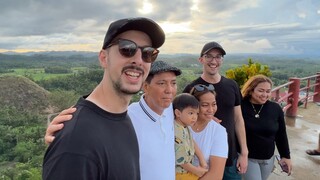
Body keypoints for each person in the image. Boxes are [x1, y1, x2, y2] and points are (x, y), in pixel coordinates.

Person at [42, 17, 165, 180]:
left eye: (148, 53)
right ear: (103, 58)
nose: (138, 59)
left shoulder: (122, 118)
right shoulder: (75, 142)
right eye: (127, 48)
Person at [45, 60, 182, 180]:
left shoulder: (170, 110)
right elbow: (89, 134)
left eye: (173, 83)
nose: (169, 90)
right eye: (162, 83)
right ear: (145, 86)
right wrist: (63, 135)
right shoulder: (128, 118)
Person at [183, 42, 248, 179]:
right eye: (209, 56)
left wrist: (244, 152)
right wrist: (201, 116)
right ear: (201, 59)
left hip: (231, 156)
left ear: (222, 60)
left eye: (218, 57)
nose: (214, 61)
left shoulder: (232, 85)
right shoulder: (191, 88)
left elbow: (238, 119)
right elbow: (180, 120)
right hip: (202, 159)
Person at [241, 74, 292, 179]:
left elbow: (281, 134)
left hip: (268, 158)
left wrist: (286, 156)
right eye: (261, 90)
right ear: (251, 90)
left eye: (268, 91)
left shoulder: (275, 108)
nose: (265, 94)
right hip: (248, 158)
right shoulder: (240, 106)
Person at [189, 84, 229, 180]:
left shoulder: (219, 131)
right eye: (205, 105)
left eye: (214, 104)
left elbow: (216, 175)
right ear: (194, 106)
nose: (211, 110)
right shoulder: (180, 125)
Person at [173, 93, 208, 179]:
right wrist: (196, 171)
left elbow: (192, 142)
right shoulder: (177, 131)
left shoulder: (184, 126)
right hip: (180, 174)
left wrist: (202, 161)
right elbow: (181, 160)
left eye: (196, 113)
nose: (194, 117)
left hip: (187, 172)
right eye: (191, 113)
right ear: (178, 113)